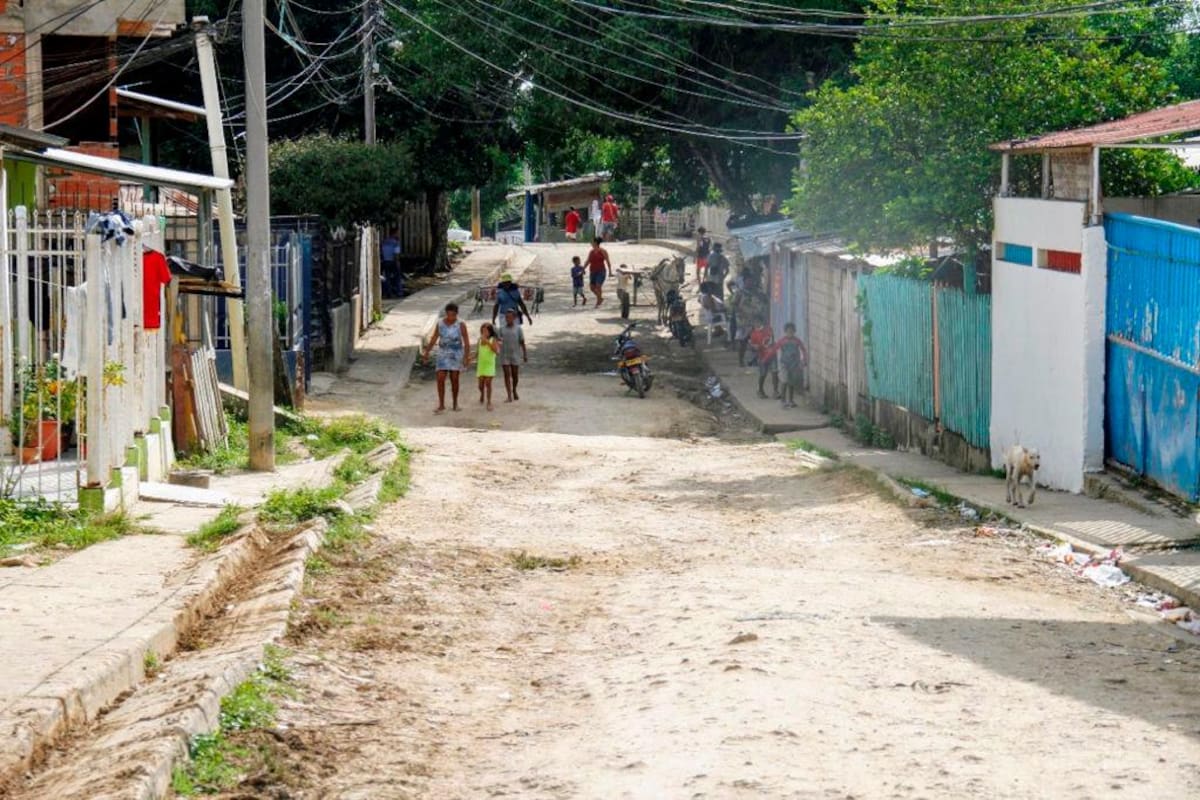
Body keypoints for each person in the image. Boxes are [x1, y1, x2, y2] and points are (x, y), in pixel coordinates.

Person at [422, 303, 471, 413]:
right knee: (440, 378)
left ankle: (455, 403)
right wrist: (427, 352)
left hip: (456, 353)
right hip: (443, 353)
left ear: (456, 314)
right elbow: (434, 337)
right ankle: (441, 404)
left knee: (454, 379)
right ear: (446, 313)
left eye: (453, 315)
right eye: (449, 315)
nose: (451, 317)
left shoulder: (461, 324)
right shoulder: (440, 323)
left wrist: (466, 357)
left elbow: (466, 342)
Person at [765, 323, 808, 409]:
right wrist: (766, 359)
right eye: (788, 331)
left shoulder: (797, 341)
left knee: (791, 382)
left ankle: (791, 400)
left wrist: (804, 360)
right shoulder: (782, 341)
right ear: (785, 331)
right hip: (784, 363)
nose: (790, 333)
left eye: (791, 331)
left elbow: (803, 350)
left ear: (794, 331)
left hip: (794, 364)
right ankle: (783, 401)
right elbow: (773, 350)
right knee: (784, 381)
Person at [499, 308, 528, 402]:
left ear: (514, 318)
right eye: (506, 317)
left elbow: (522, 342)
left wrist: (525, 354)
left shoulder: (518, 329)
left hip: (515, 354)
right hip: (504, 355)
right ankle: (509, 395)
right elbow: (498, 341)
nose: (508, 319)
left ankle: (514, 389)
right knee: (507, 375)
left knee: (515, 375)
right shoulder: (502, 329)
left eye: (510, 317)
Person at [748, 324, 778, 399]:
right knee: (763, 374)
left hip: (772, 354)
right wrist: (755, 347)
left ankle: (775, 391)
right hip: (762, 356)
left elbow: (772, 340)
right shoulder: (754, 334)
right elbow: (752, 346)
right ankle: (760, 390)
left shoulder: (768, 329)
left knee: (775, 372)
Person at [476, 323, 500, 411]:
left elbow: (497, 352)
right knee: (480, 385)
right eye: (482, 331)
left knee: (488, 383)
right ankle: (482, 394)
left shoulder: (493, 340)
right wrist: (468, 359)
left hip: (490, 365)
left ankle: (489, 401)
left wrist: (487, 342)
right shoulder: (479, 340)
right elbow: (477, 353)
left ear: (490, 332)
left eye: (486, 331)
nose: (484, 333)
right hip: (481, 365)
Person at [585, 237, 613, 307]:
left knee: (598, 286)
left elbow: (608, 261)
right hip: (592, 271)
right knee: (592, 287)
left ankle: (598, 301)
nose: (591, 243)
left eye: (592, 242)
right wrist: (583, 269)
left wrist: (610, 272)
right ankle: (600, 298)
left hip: (601, 271)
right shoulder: (591, 251)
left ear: (595, 243)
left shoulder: (603, 251)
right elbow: (588, 261)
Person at [381, 232, 402, 298]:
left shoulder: (384, 242)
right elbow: (396, 254)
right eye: (397, 233)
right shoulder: (396, 243)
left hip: (385, 261)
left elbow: (381, 252)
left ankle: (388, 293)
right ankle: (399, 293)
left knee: (387, 278)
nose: (398, 235)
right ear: (394, 233)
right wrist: (398, 263)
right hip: (393, 262)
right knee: (397, 277)